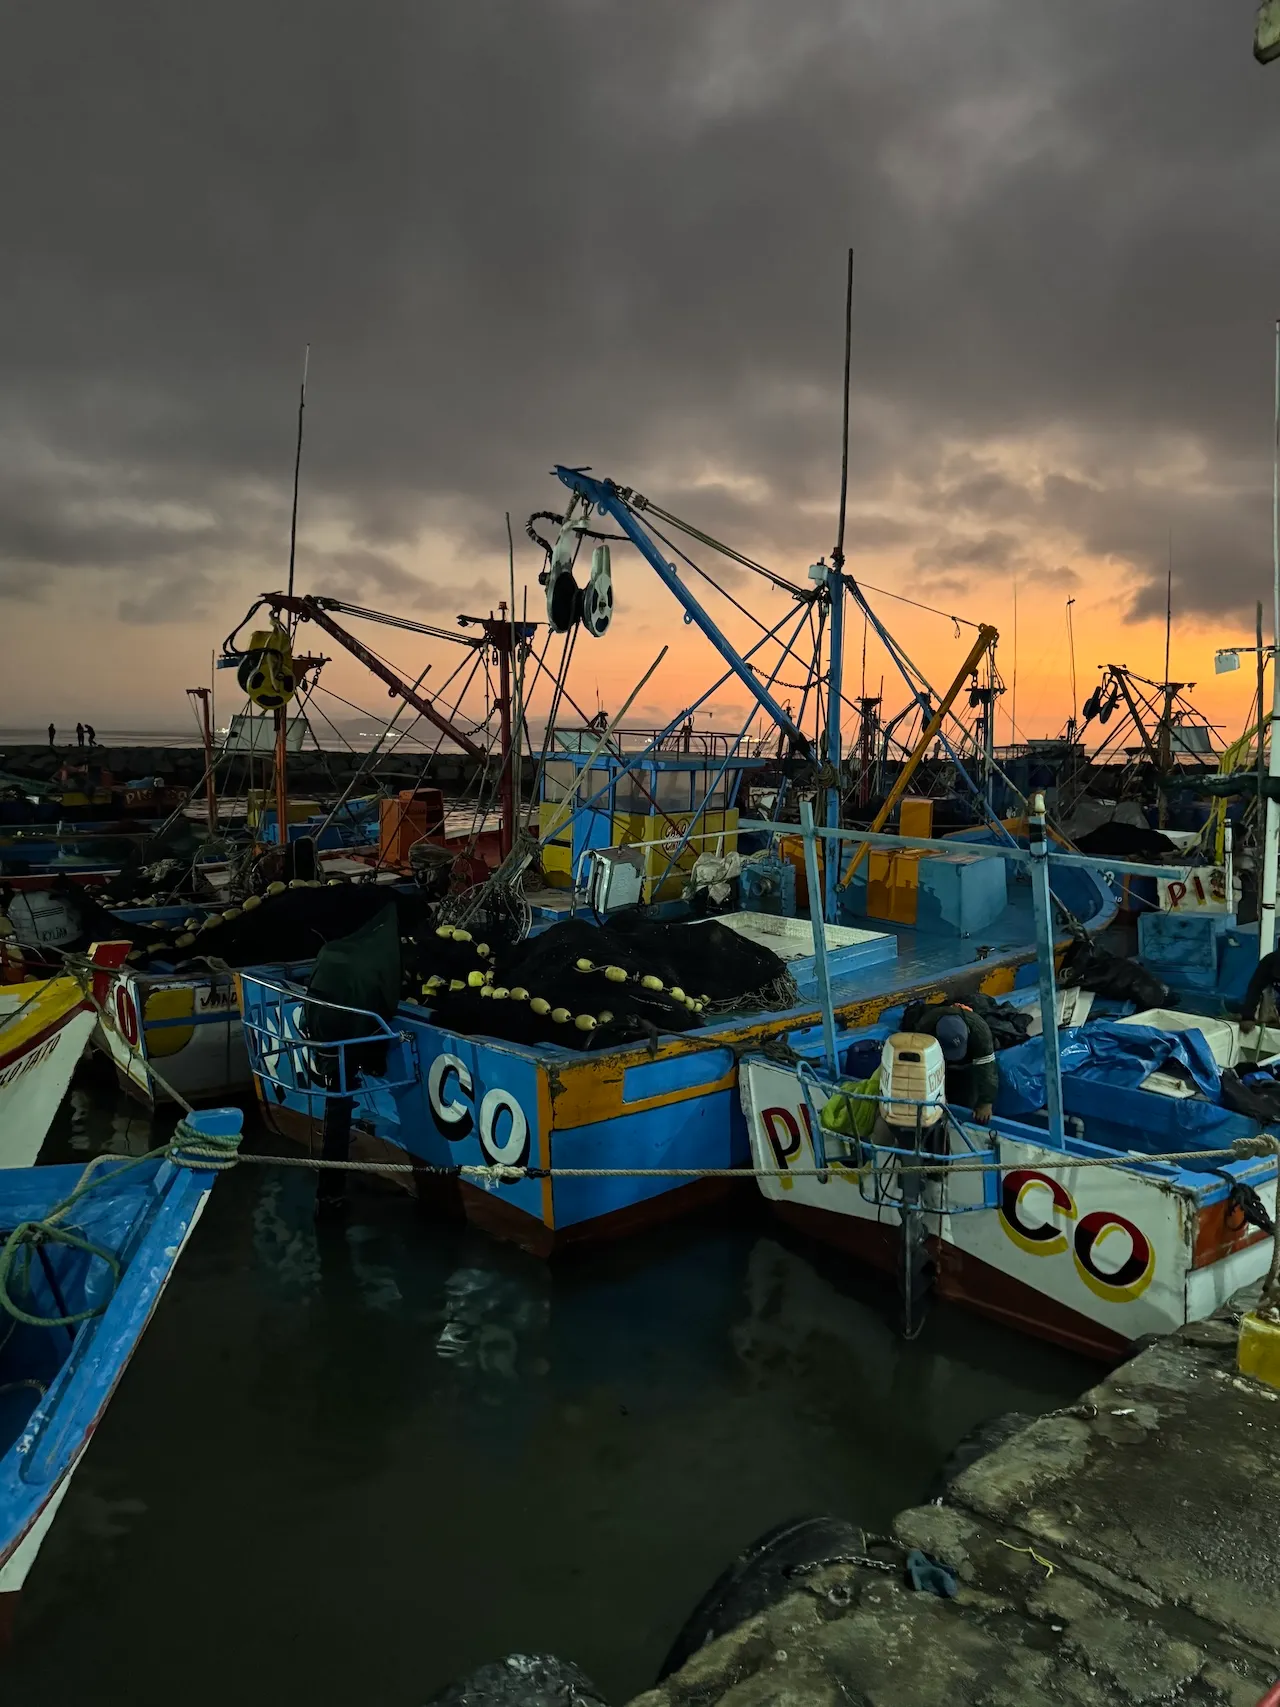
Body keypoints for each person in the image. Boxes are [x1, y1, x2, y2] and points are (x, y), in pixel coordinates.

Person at [910, 1002, 998, 1122]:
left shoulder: (979, 1030)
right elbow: (919, 1067)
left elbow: (987, 1068)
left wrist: (986, 1102)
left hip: (967, 1063)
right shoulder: (926, 1027)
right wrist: (937, 1094)